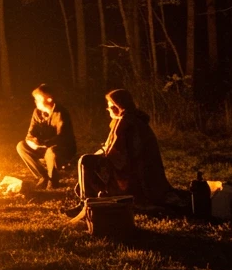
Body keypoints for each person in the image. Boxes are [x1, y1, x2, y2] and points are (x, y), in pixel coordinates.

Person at [65, 88, 178, 220]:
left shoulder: (127, 123)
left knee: (86, 161)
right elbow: (112, 148)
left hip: (133, 175)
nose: (108, 110)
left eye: (110, 106)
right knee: (88, 160)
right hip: (130, 167)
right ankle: (86, 202)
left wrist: (100, 159)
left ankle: (88, 204)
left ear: (117, 106)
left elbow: (120, 155)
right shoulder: (129, 119)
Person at [16, 83, 76, 189]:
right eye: (35, 99)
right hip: (42, 146)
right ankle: (43, 177)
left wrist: (45, 144)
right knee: (21, 146)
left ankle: (53, 181)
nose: (36, 101)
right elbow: (30, 134)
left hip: (62, 148)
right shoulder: (37, 113)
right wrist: (32, 141)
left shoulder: (60, 113)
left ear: (49, 99)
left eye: (39, 99)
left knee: (51, 151)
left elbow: (62, 137)